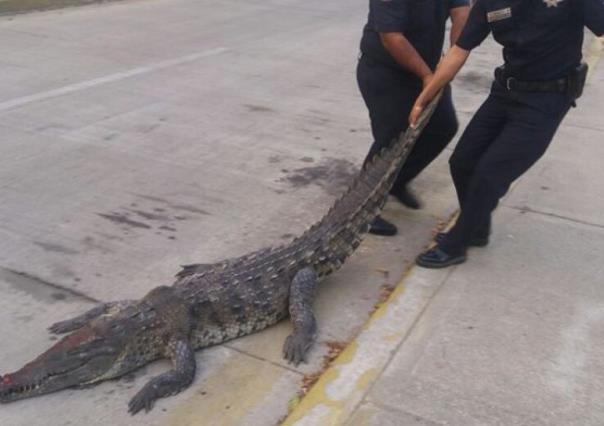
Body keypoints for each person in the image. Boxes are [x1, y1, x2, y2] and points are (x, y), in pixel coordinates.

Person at [410, 0, 604, 267]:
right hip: (505, 91)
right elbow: (460, 50)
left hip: (546, 100)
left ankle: (457, 243)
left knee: (490, 174)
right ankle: (476, 227)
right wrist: (424, 98)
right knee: (462, 162)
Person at [357, 0, 470, 236]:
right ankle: (361, 212)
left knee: (443, 127)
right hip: (386, 71)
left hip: (427, 70)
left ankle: (395, 181)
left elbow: (462, 15)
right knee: (389, 140)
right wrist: (427, 76)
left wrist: (451, 59)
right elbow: (391, 37)